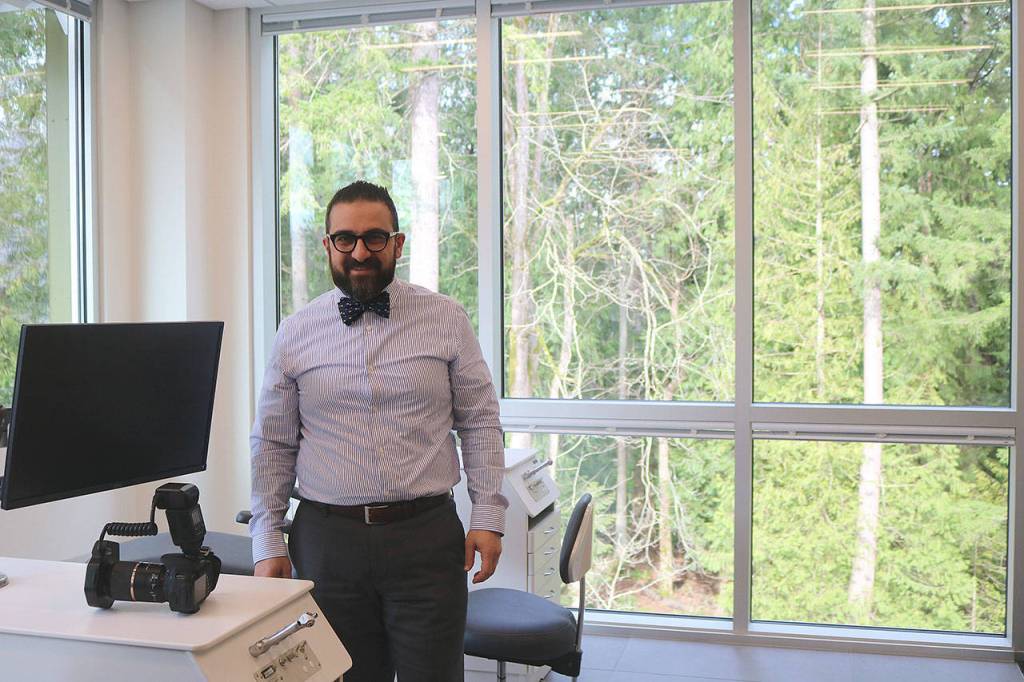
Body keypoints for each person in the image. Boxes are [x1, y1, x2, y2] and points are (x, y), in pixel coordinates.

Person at [250, 180, 507, 682]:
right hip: (327, 545)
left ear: (397, 243)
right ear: (327, 245)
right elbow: (273, 444)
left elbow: (479, 421)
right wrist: (269, 542)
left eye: (374, 237)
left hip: (427, 541)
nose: (360, 251)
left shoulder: (445, 318)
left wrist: (488, 515)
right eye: (345, 239)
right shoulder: (295, 332)